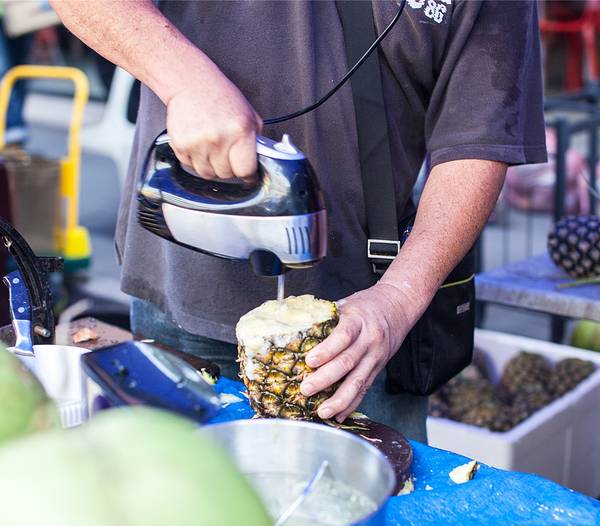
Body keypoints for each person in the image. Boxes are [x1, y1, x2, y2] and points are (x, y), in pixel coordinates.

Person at [51, 0, 546, 442]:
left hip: (357, 326)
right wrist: (184, 80)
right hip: (179, 283)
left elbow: (477, 145)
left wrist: (397, 300)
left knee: (377, 504)